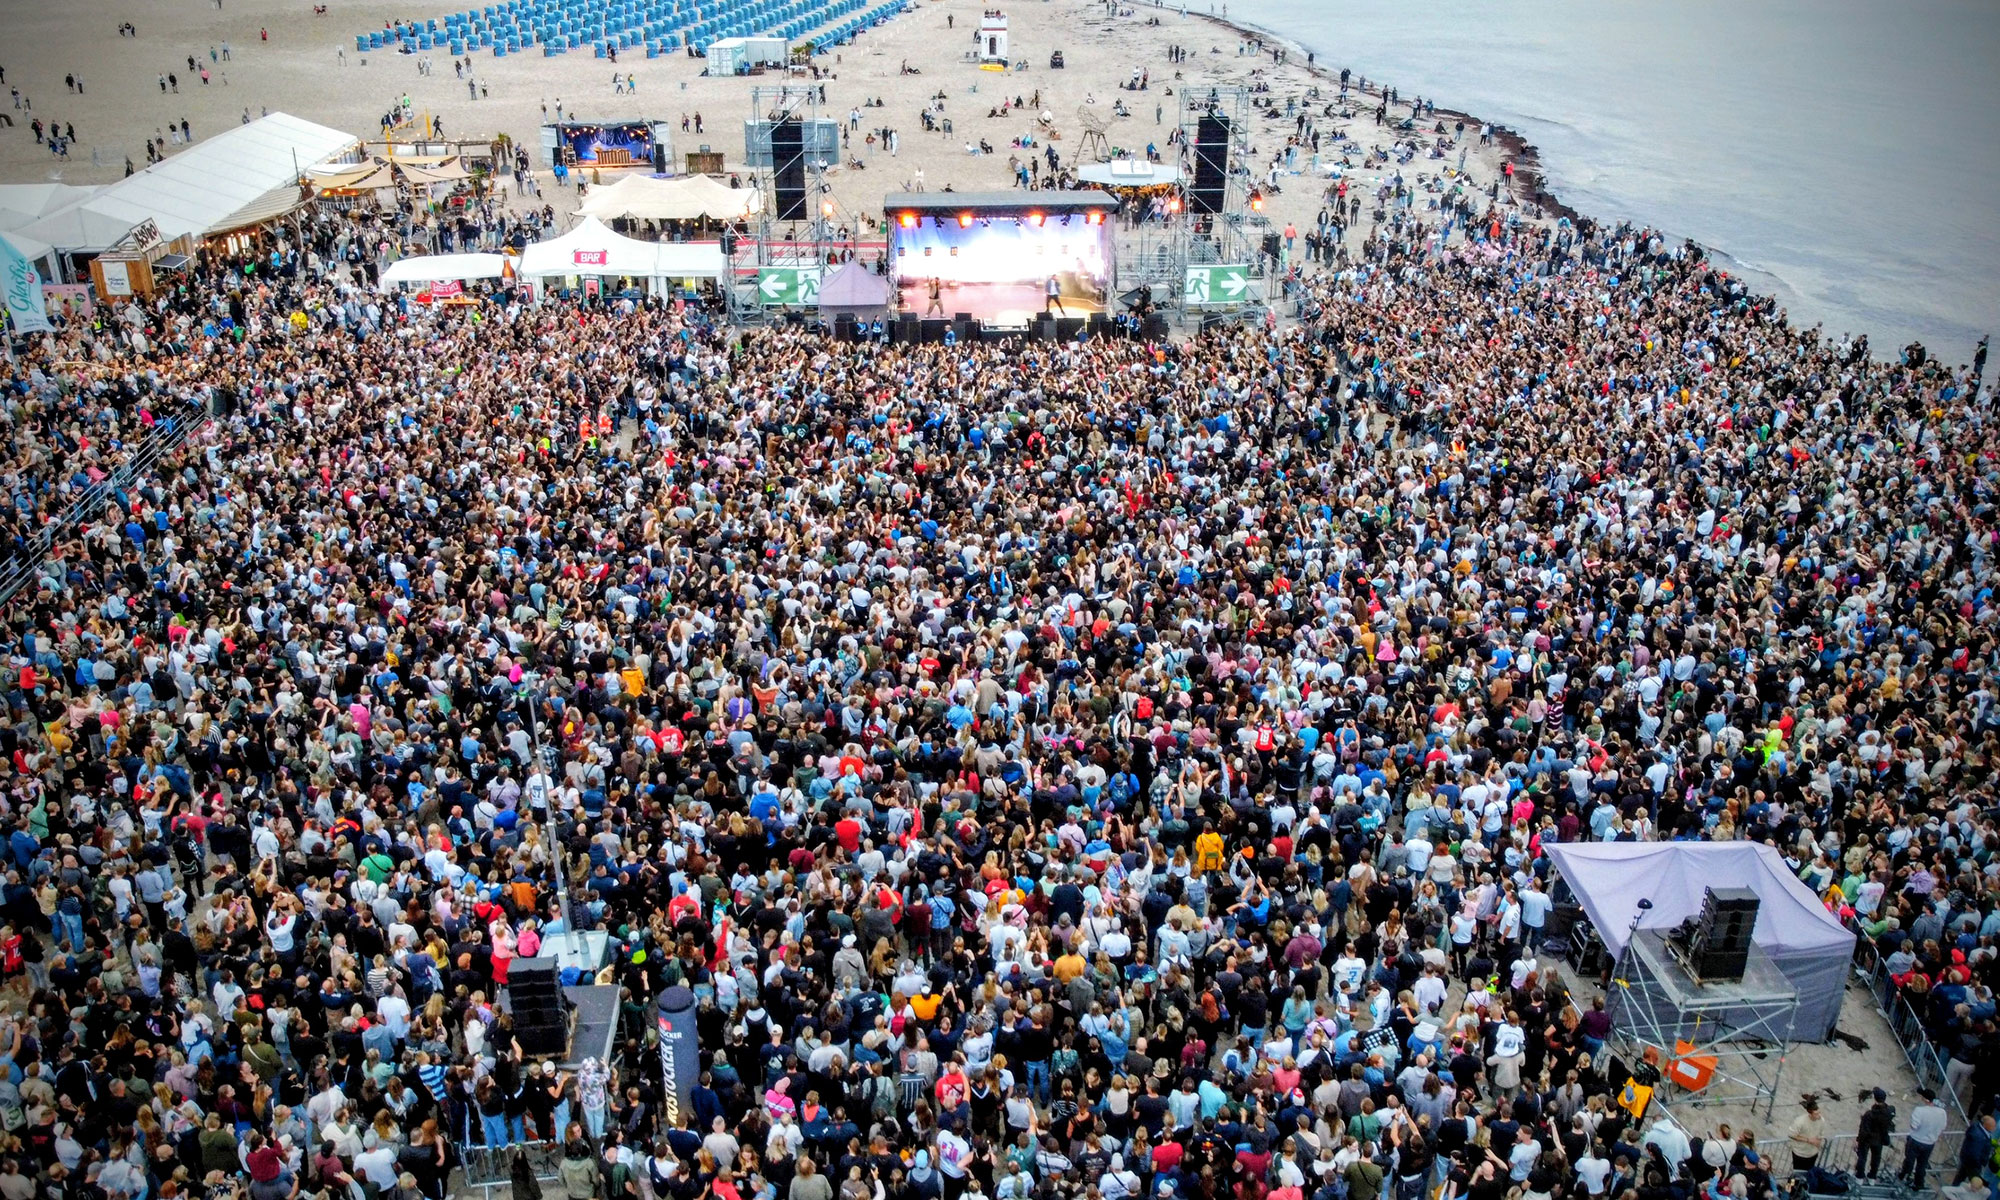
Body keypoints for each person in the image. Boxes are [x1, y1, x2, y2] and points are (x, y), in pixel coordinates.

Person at [1900, 1089, 1947, 1187]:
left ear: (1925, 1099)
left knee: (1909, 1160)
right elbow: (1942, 1127)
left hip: (1916, 1140)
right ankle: (1918, 1183)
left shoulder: (1919, 1110)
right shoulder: (1942, 1112)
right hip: (1929, 1143)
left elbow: (1914, 1126)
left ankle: (1904, 1176)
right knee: (1922, 1164)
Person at [1855, 1088, 1894, 1178]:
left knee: (1862, 1157)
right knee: (1876, 1159)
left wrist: (1858, 1140)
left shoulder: (1869, 1114)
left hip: (1867, 1139)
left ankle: (1860, 1176)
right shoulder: (1888, 1113)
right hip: (1879, 1139)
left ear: (1875, 1099)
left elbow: (1864, 1130)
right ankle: (1872, 1176)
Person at [1785, 1096, 1825, 1174]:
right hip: (1800, 1153)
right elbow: (1791, 1134)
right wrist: (1808, 1140)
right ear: (1810, 1113)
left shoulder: (1821, 1120)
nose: (1819, 1115)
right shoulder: (1800, 1121)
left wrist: (1819, 1142)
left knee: (1809, 1174)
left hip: (1813, 1153)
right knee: (1797, 1174)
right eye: (1816, 1114)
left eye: (1819, 1112)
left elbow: (1821, 1134)